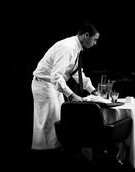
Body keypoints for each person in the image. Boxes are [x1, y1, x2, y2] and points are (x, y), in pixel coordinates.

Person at [31, 21, 100, 150]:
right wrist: (72, 95)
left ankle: (55, 151)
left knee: (58, 123)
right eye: (94, 39)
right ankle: (44, 154)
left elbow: (76, 73)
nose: (95, 43)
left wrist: (93, 91)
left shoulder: (76, 48)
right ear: (86, 35)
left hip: (53, 85)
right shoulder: (67, 47)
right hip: (44, 85)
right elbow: (56, 76)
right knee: (49, 126)